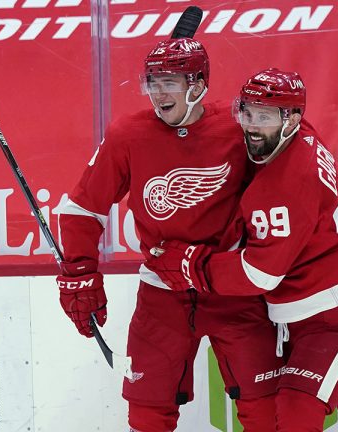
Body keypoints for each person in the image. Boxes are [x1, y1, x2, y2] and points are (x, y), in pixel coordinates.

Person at [146, 68, 338, 431]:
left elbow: (259, 273)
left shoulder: (281, 186)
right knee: (288, 414)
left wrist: (190, 265)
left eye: (262, 117)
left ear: (291, 118)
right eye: (246, 112)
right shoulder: (300, 133)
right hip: (309, 305)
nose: (250, 125)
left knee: (297, 414)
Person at [55, 37, 286, 432]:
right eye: (152, 82)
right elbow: (82, 209)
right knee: (147, 412)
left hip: (229, 285)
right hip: (162, 292)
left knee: (265, 409)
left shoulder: (236, 128)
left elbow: (293, 165)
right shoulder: (128, 134)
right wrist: (79, 274)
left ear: (197, 86)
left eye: (169, 83)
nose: (157, 93)